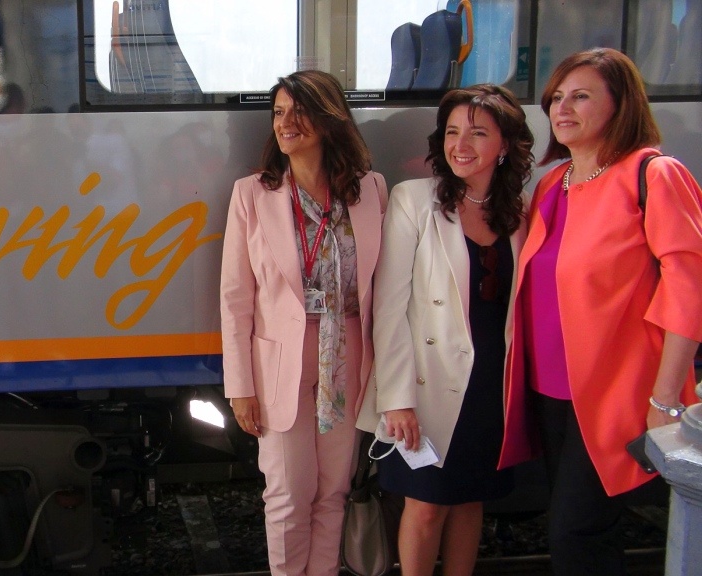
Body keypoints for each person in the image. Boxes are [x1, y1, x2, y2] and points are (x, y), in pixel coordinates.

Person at [497, 47, 702, 575]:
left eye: (581, 96)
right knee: (584, 533)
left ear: (621, 103)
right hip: (549, 392)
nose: (562, 108)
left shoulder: (654, 174)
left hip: (616, 394)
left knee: (576, 533)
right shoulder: (552, 183)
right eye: (556, 98)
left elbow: (690, 290)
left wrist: (665, 400)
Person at [356, 84, 534, 576]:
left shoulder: (519, 209)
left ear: (505, 144)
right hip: (426, 382)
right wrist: (396, 398)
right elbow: (389, 308)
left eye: (478, 133)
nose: (461, 144)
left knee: (471, 500)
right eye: (452, 132)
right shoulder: (415, 199)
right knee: (426, 505)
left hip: (491, 381)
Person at [220, 70, 387, 576]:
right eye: (278, 112)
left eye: (299, 111)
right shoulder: (253, 194)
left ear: (330, 118)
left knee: (333, 493)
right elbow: (235, 299)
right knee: (288, 495)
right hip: (278, 366)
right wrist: (240, 388)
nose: (285, 122)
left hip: (347, 359)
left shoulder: (370, 189)